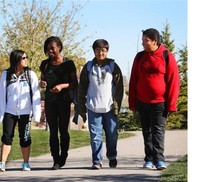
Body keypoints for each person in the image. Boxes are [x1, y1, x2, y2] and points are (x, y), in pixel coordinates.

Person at [128, 28, 180, 170]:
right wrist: (132, 102)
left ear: (155, 41)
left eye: (146, 40)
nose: (143, 43)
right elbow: (133, 80)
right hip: (142, 101)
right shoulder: (139, 57)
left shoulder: (166, 56)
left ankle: (159, 160)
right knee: (146, 131)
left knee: (158, 131)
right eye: (142, 40)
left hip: (160, 102)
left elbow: (173, 81)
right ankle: (149, 159)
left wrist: (172, 104)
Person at [78, 39, 124, 170]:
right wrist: (81, 107)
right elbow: (81, 88)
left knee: (112, 135)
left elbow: (119, 88)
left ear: (107, 51)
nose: (100, 53)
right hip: (93, 107)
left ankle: (112, 156)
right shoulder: (88, 67)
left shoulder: (113, 66)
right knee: (95, 136)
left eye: (103, 50)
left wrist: (117, 105)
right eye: (98, 50)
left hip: (110, 107)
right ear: (94, 51)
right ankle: (97, 161)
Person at [0, 49, 41, 172]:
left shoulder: (31, 74)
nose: (26, 60)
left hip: (26, 112)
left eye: (26, 57)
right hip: (10, 111)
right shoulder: (6, 74)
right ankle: (2, 162)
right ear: (16, 60)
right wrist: (1, 114)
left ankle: (26, 163)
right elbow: (2, 95)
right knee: (6, 136)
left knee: (25, 138)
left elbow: (36, 95)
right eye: (23, 58)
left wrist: (36, 115)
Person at [39, 36, 78, 170]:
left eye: (52, 48)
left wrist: (62, 86)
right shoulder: (44, 64)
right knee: (53, 132)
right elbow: (43, 80)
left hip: (64, 101)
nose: (49, 51)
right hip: (50, 101)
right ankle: (55, 159)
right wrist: (42, 83)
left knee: (63, 130)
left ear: (59, 48)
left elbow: (74, 83)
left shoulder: (68, 63)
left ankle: (64, 154)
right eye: (47, 48)